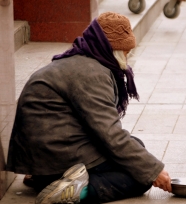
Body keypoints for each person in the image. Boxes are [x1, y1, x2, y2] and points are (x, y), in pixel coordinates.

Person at [6, 12, 172, 204]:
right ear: (110, 49)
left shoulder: (80, 61)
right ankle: (74, 191)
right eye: (125, 51)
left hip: (41, 155)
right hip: (54, 154)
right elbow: (110, 135)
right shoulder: (92, 73)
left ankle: (47, 179)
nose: (127, 56)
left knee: (136, 149)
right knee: (139, 178)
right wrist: (154, 171)